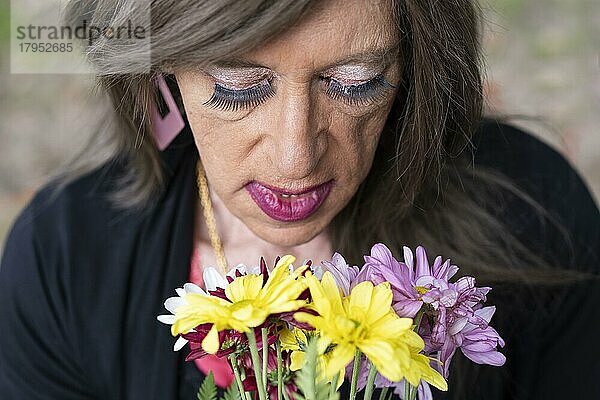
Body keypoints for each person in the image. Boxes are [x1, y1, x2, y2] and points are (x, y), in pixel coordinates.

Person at [1, 0, 598, 399]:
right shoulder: (62, 264)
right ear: (158, 71)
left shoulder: (534, 216)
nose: (295, 159)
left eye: (355, 83)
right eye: (239, 88)